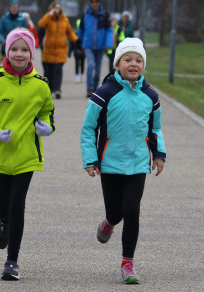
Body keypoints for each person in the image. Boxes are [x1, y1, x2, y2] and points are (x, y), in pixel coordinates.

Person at [80, 38, 166, 284]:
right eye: (127, 59)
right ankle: (108, 222)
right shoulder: (104, 93)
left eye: (139, 60)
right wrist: (90, 158)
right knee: (115, 211)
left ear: (143, 65)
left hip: (138, 163)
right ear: (117, 64)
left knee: (132, 210)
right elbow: (88, 129)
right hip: (110, 163)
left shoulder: (150, 95)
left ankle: (128, 263)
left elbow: (155, 128)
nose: (133, 64)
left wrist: (158, 154)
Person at [0, 28, 55, 281]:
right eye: (14, 49)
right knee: (3, 207)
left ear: (31, 53)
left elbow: (47, 113)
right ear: (6, 51)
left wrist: (46, 127)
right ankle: (3, 223)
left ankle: (12, 261)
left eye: (24, 49)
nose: (19, 54)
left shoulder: (41, 85)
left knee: (17, 205)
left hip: (26, 156)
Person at [37, 1, 79, 99]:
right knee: (48, 71)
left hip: (61, 50)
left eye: (58, 8)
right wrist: (49, 15)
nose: (57, 10)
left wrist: (76, 40)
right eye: (55, 8)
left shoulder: (64, 19)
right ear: (52, 9)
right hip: (49, 50)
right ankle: (49, 90)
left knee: (58, 71)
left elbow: (69, 32)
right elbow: (41, 24)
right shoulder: (48, 18)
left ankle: (57, 90)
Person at [77, 0, 113, 98]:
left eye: (96, 1)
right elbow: (80, 30)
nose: (94, 3)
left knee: (97, 69)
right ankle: (89, 88)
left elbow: (109, 30)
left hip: (100, 46)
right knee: (91, 65)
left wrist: (108, 44)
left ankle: (95, 87)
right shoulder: (85, 14)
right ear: (90, 3)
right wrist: (78, 45)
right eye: (92, 2)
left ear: (99, 3)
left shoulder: (104, 15)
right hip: (88, 45)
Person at [69, 17, 86, 83]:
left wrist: (70, 52)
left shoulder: (76, 34)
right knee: (81, 63)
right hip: (79, 51)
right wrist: (70, 52)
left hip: (80, 51)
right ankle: (80, 76)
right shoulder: (79, 34)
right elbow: (72, 43)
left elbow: (71, 44)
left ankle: (79, 76)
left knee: (79, 63)